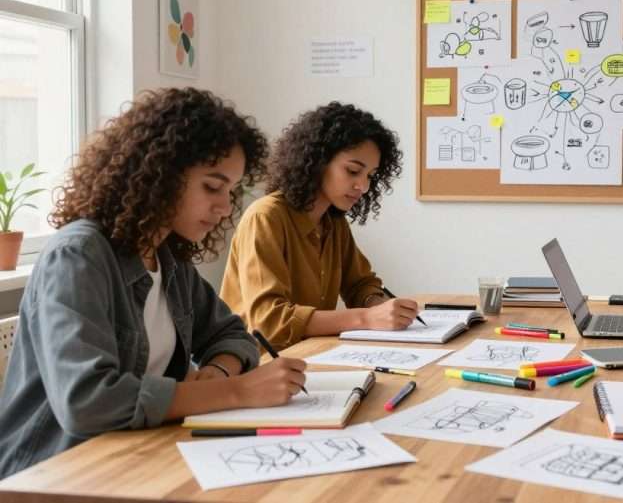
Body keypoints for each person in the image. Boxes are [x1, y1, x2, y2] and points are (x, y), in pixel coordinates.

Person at [0, 88, 307, 479]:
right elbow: (87, 400)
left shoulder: (167, 257)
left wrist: (217, 374)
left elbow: (232, 333)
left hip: (136, 454)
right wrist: (235, 392)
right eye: (212, 187)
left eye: (231, 192)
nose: (226, 207)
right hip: (54, 473)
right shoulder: (78, 256)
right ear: (159, 176)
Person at [220, 102, 417, 351]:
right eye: (353, 170)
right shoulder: (266, 217)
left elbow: (360, 283)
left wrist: (377, 303)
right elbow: (268, 321)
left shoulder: (333, 222)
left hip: (310, 355)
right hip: (259, 364)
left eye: (369, 175)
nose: (363, 186)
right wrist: (367, 318)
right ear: (317, 161)